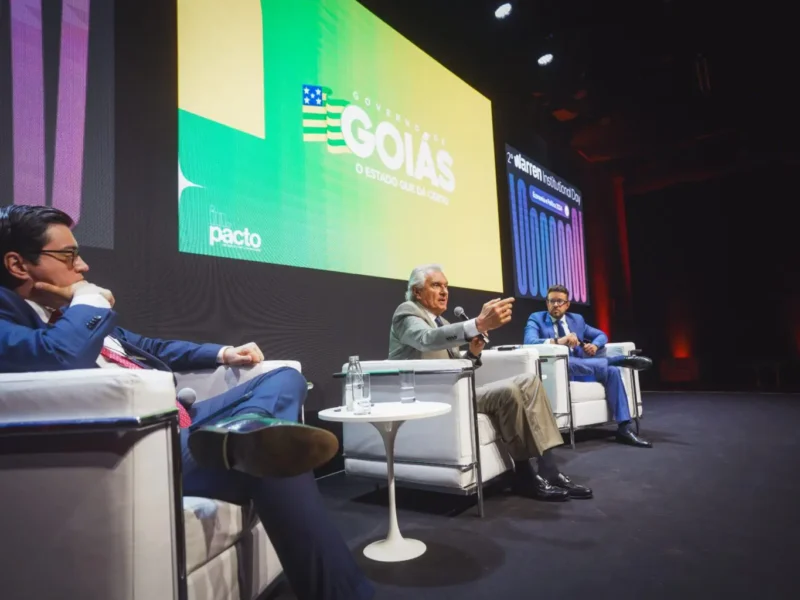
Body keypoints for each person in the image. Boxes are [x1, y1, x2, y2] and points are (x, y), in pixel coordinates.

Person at [0, 205, 373, 600]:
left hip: (186, 426)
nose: (84, 266)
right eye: (69, 255)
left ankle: (249, 429)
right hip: (145, 448)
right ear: (18, 265)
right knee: (278, 461)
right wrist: (88, 304)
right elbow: (56, 357)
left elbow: (151, 346)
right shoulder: (31, 316)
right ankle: (253, 439)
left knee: (285, 378)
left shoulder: (68, 314)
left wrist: (225, 353)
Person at [389, 264, 592, 501]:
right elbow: (425, 340)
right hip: (431, 397)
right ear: (417, 292)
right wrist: (477, 324)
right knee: (508, 391)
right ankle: (525, 477)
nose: (444, 291)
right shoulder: (407, 312)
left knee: (529, 381)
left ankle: (549, 469)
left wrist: (473, 354)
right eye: (436, 285)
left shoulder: (443, 323)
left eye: (446, 286)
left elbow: (458, 366)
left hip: (457, 391)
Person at [523, 284, 653, 448]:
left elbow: (601, 335)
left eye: (560, 301)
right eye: (552, 301)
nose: (555, 305)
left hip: (584, 369)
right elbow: (529, 342)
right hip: (558, 372)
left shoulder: (576, 320)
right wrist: (560, 341)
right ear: (547, 303)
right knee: (569, 362)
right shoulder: (536, 319)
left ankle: (624, 428)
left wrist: (595, 346)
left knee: (612, 372)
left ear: (567, 304)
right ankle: (619, 360)